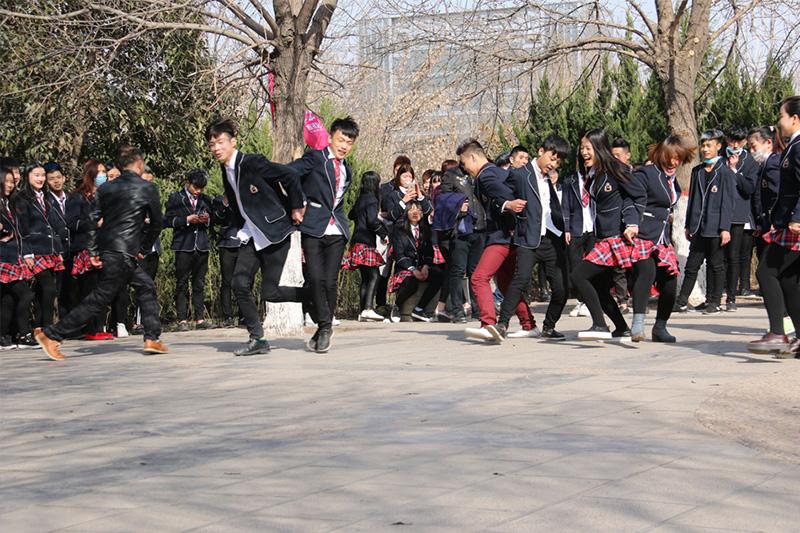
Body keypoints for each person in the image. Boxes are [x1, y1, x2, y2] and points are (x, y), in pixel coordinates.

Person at [34, 145, 168, 360]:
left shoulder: (106, 189)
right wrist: (143, 248)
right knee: (98, 299)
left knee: (146, 286)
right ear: (139, 164)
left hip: (110, 251)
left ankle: (152, 338)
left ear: (120, 166)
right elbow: (156, 224)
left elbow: (91, 221)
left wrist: (94, 251)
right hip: (123, 254)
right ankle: (52, 335)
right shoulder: (147, 188)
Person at [206, 118, 305, 356]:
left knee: (271, 293)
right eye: (211, 144)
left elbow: (291, 175)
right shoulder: (225, 169)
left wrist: (296, 207)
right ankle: (258, 338)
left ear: (233, 141)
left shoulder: (252, 163)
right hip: (252, 234)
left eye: (220, 142)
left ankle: (315, 297)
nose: (216, 148)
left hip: (275, 233)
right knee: (239, 284)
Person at [290, 117, 359, 353]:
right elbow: (291, 174)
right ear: (330, 138)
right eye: (341, 140)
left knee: (330, 281)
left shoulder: (347, 170)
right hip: (313, 227)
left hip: (337, 230)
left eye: (349, 143)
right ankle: (324, 326)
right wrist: (298, 203)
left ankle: (324, 328)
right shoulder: (315, 157)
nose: (344, 146)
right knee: (315, 279)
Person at [457, 138, 537, 341]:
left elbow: (507, 198)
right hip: (508, 236)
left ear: (473, 157)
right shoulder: (497, 171)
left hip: (502, 236)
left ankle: (488, 324)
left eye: (464, 163)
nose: (465, 168)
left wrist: (511, 225)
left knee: (478, 278)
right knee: (506, 283)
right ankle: (529, 325)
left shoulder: (487, 175)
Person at [493, 134, 570, 341]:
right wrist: (508, 206)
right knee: (520, 280)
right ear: (541, 151)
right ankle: (502, 325)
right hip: (528, 237)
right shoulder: (520, 174)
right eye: (552, 158)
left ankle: (549, 327)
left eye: (558, 162)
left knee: (562, 288)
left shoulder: (550, 178)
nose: (553, 164)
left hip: (552, 238)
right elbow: (498, 197)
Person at [570, 129, 645, 341]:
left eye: (588, 148)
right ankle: (621, 328)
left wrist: (633, 223)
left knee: (578, 275)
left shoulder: (615, 168)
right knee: (599, 286)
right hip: (602, 237)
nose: (584, 152)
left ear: (599, 147)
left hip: (615, 238)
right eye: (582, 148)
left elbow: (637, 195)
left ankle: (600, 325)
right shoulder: (594, 174)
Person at [747, 96, 800, 357]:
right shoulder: (793, 146)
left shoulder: (798, 147)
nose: (779, 122)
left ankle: (778, 332)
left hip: (794, 226)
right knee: (789, 280)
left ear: (795, 118)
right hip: (786, 224)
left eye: (782, 116)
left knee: (766, 272)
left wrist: (797, 217)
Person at [628, 136, 695, 342]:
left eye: (677, 158)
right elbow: (631, 200)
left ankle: (660, 327)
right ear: (660, 156)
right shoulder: (646, 173)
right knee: (647, 272)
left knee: (670, 281)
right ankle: (638, 324)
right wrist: (631, 223)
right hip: (643, 235)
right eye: (668, 157)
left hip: (662, 239)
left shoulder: (673, 181)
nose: (672, 163)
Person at [673, 129, 736, 315]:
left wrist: (725, 228)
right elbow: (692, 200)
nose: (706, 149)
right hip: (698, 227)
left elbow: (728, 203)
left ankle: (715, 302)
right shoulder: (697, 171)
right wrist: (688, 225)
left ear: (718, 146)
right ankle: (681, 302)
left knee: (716, 265)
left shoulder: (725, 172)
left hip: (715, 227)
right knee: (692, 265)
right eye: (703, 145)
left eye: (709, 145)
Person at [164, 167, 218, 331]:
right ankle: (182, 320)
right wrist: (187, 219)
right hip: (183, 245)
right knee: (181, 283)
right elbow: (168, 221)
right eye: (196, 187)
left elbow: (212, 220)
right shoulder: (175, 198)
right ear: (187, 183)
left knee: (199, 283)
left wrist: (207, 220)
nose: (198, 191)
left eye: (201, 188)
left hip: (201, 245)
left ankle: (200, 319)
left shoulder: (206, 199)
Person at [65, 159, 113, 340]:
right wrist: (95, 224)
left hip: (105, 248)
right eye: (99, 172)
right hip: (86, 249)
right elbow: (72, 223)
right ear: (90, 173)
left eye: (104, 172)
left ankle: (99, 327)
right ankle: (90, 329)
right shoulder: (77, 197)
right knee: (89, 290)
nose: (103, 176)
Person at [17, 162, 65, 331]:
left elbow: (53, 226)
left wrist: (58, 250)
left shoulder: (45, 197)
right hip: (35, 250)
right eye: (36, 175)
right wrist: (27, 253)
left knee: (42, 290)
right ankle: (48, 327)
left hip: (49, 249)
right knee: (48, 287)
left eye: (43, 175)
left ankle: (39, 328)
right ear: (27, 176)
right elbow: (22, 227)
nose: (41, 179)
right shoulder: (22, 198)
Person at [721, 124, 759, 311]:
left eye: (739, 142)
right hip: (720, 213)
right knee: (719, 255)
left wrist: (735, 171)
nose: (735, 145)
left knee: (735, 255)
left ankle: (733, 294)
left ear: (745, 141)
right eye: (732, 141)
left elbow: (750, 189)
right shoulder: (720, 158)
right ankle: (718, 290)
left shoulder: (750, 161)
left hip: (739, 214)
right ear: (726, 140)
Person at [387, 201, 443, 322]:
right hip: (405, 268)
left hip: (421, 267)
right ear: (406, 213)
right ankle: (397, 306)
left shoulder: (425, 231)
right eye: (411, 210)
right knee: (411, 283)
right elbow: (399, 255)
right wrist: (412, 269)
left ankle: (419, 309)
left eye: (418, 210)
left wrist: (426, 267)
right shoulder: (399, 231)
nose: (415, 213)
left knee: (439, 276)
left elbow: (429, 253)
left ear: (422, 214)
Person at [343, 171, 388, 321]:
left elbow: (351, 215)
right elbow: (372, 221)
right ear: (374, 184)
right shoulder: (372, 200)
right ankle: (368, 308)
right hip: (366, 242)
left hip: (356, 241)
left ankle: (362, 311)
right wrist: (383, 234)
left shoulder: (360, 199)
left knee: (365, 278)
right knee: (375, 275)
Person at [0, 166, 36, 349]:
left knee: (8, 299)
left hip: (14, 257)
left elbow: (21, 232)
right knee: (26, 294)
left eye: (11, 182)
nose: (9, 185)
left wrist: (27, 254)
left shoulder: (10, 204)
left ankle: (2, 336)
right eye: (5, 181)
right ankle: (24, 335)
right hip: (3, 259)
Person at [562, 152, 595, 319]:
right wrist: (566, 228)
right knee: (575, 267)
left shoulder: (597, 179)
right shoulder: (570, 181)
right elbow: (565, 206)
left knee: (593, 266)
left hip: (594, 227)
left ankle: (591, 302)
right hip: (576, 228)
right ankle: (581, 301)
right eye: (580, 160)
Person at [132, 166, 163, 334]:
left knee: (150, 285)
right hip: (137, 249)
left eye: (150, 182)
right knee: (142, 285)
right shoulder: (131, 199)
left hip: (152, 249)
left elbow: (163, 220)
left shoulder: (153, 199)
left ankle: (149, 321)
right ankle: (138, 322)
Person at [748, 126, 782, 271]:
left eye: (754, 146)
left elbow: (777, 194)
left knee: (765, 272)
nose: (752, 151)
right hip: (766, 223)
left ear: (768, 143)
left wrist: (775, 220)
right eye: (749, 147)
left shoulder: (773, 164)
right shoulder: (764, 165)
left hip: (774, 225)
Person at [44, 161, 72, 319]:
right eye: (51, 178)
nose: (56, 181)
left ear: (64, 178)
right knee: (57, 290)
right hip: (57, 252)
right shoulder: (46, 202)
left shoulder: (72, 199)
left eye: (58, 177)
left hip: (73, 250)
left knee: (69, 289)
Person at [212, 191, 243, 328]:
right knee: (227, 282)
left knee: (244, 282)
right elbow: (216, 220)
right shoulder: (219, 200)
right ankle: (228, 316)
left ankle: (244, 315)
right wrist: (225, 202)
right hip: (227, 244)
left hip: (244, 245)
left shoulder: (245, 196)